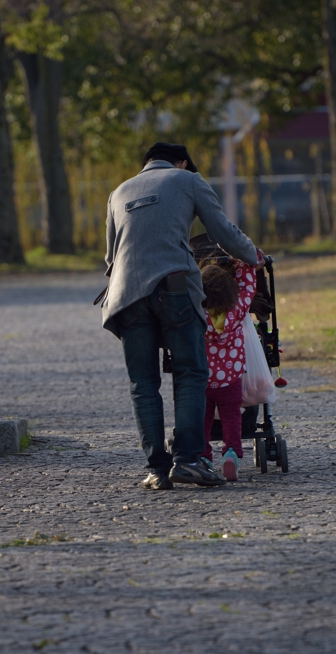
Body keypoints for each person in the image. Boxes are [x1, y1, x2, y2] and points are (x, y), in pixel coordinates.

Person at [102, 142, 261, 490]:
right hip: (173, 287)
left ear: (146, 163)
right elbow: (221, 231)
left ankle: (157, 470)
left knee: (143, 385)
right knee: (191, 372)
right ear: (183, 162)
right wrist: (253, 256)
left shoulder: (118, 192)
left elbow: (110, 258)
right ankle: (188, 461)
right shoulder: (188, 180)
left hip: (125, 295)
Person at [199, 253, 262, 482]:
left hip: (204, 380)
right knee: (231, 417)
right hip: (231, 379)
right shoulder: (237, 310)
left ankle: (204, 457)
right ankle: (232, 453)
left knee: (203, 421)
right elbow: (248, 287)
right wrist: (245, 263)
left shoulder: (198, 315)